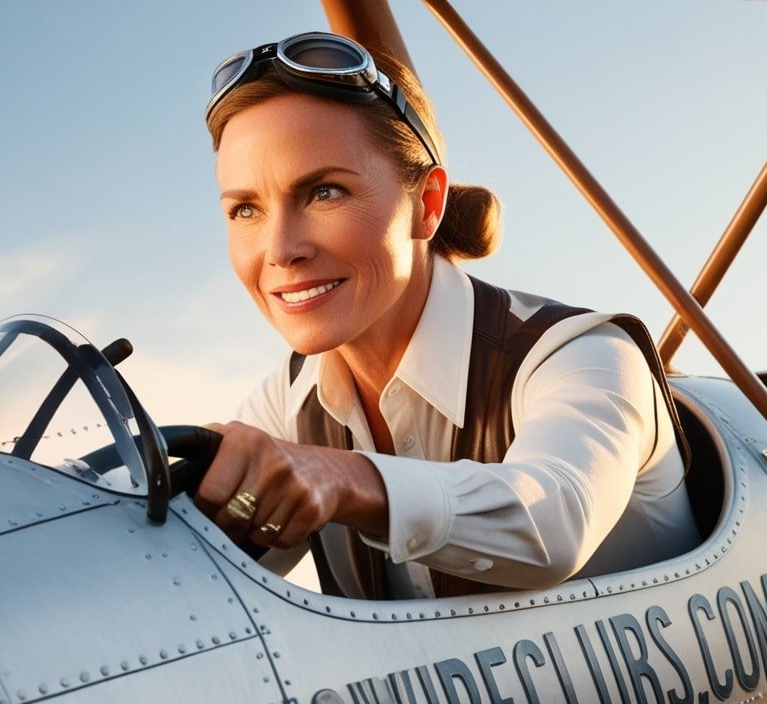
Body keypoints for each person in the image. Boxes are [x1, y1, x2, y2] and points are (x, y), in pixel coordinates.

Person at [195, 32, 699, 600]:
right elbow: (203, 567)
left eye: (325, 192)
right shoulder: (287, 400)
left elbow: (554, 518)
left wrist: (344, 478)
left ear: (426, 204)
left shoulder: (584, 352)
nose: (281, 248)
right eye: (246, 209)